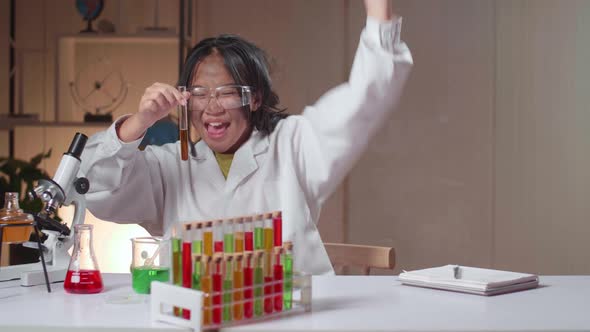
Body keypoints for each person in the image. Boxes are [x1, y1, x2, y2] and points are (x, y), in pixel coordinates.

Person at [80, 0, 413, 275]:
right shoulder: (169, 165)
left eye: (226, 93)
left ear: (255, 98)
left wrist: (378, 14)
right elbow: (96, 189)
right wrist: (139, 123)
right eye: (198, 93)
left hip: (286, 317)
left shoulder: (293, 144)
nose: (211, 108)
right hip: (194, 317)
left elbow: (364, 99)